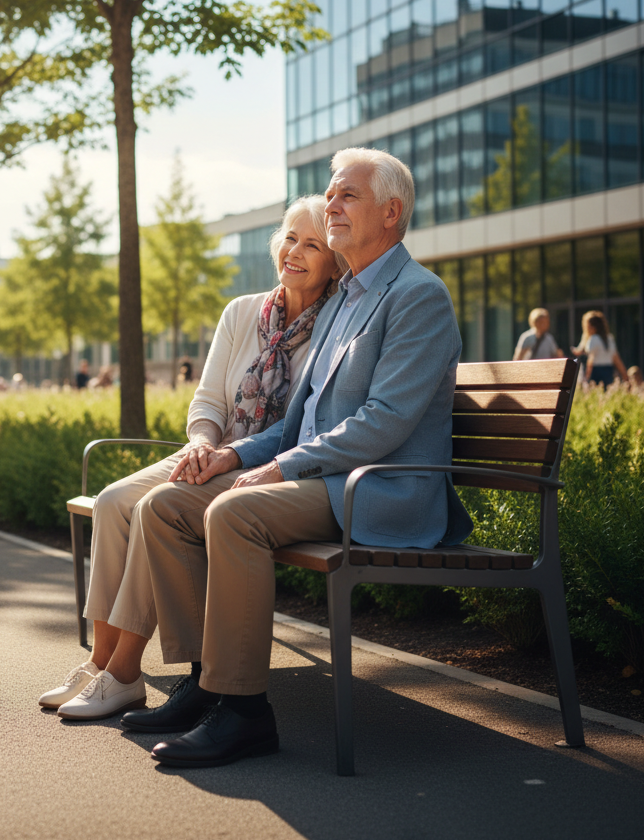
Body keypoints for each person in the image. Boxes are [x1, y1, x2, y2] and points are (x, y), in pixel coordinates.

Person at [132, 148, 471, 769]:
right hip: (326, 475)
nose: (331, 204)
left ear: (390, 213)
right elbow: (298, 422)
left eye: (347, 195)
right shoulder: (343, 299)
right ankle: (207, 683)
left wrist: (277, 470)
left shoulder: (419, 296)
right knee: (168, 506)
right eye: (331, 192)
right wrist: (232, 453)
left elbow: (385, 423)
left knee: (237, 515)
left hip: (379, 485)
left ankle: (244, 713)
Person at [39, 195, 347, 721]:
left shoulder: (334, 327)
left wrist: (228, 455)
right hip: (211, 450)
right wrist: (203, 441)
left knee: (155, 505)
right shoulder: (241, 312)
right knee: (114, 499)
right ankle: (100, 663)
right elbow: (207, 401)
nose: (295, 252)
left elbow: (297, 430)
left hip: (264, 464)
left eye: (313, 244)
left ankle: (126, 673)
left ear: (334, 262)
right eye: (290, 239)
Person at [573, 310, 627, 387]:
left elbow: (590, 360)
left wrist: (586, 377)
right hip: (609, 370)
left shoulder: (593, 338)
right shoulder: (609, 338)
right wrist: (624, 374)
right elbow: (615, 357)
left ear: (592, 327)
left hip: (596, 371)